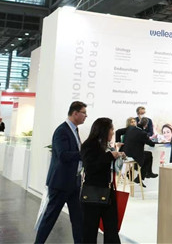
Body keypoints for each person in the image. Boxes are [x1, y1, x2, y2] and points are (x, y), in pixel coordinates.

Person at [35, 101, 87, 244]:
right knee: (50, 218)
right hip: (61, 183)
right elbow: (63, 155)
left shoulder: (74, 130)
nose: (85, 116)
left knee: (78, 219)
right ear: (75, 113)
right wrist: (84, 154)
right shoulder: (62, 131)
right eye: (83, 113)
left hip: (74, 182)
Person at [80, 117, 125, 244]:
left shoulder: (106, 146)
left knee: (112, 230)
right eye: (111, 129)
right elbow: (90, 167)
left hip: (108, 192)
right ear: (104, 130)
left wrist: (117, 157)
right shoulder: (89, 145)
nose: (113, 132)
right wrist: (109, 156)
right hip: (93, 193)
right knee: (90, 231)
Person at [123, 117, 157, 186]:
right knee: (148, 156)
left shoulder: (130, 130)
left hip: (127, 153)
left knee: (147, 155)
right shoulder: (142, 133)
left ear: (138, 122)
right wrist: (152, 140)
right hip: (134, 154)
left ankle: (140, 175)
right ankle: (143, 175)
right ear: (146, 125)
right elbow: (151, 144)